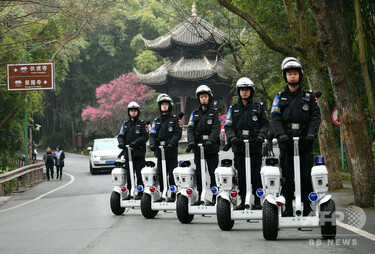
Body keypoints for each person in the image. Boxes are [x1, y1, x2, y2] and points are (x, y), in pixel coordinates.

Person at [271, 57, 321, 217]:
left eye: (295, 73)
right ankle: (286, 207)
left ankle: (307, 206)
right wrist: (280, 135)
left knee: (306, 176)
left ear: (300, 75)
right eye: (289, 73)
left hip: (305, 142)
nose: (292, 76)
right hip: (286, 143)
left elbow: (316, 116)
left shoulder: (309, 96)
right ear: (285, 76)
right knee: (287, 177)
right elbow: (275, 118)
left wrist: (312, 133)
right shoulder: (279, 97)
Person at [224, 77, 270, 210]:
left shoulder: (259, 108)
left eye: (247, 90)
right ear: (239, 92)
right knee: (242, 176)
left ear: (251, 91)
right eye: (242, 90)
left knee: (255, 175)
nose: (244, 92)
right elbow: (228, 126)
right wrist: (232, 137)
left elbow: (265, 124)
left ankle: (257, 201)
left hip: (254, 145)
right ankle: (243, 200)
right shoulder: (233, 109)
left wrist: (261, 136)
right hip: (238, 146)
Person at [187, 85, 221, 205]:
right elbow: (190, 129)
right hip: (198, 148)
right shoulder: (194, 114)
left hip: (211, 148)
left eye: (205, 97)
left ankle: (215, 196)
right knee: (200, 174)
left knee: (213, 173)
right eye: (201, 97)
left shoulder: (215, 113)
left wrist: (211, 140)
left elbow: (216, 128)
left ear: (209, 98)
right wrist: (191, 141)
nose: (203, 99)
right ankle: (201, 196)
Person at [149, 94, 182, 202]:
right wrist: (152, 144)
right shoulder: (157, 120)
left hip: (171, 151)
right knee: (162, 175)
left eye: (166, 104)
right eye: (162, 104)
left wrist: (172, 143)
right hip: (160, 151)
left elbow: (177, 133)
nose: (164, 106)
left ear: (170, 106)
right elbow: (152, 134)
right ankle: (163, 193)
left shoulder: (175, 119)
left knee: (172, 175)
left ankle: (173, 193)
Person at [117, 101, 149, 200]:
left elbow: (145, 136)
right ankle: (130, 192)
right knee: (130, 175)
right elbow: (121, 135)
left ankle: (140, 193)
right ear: (128, 112)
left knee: (139, 175)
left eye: (135, 111)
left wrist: (137, 142)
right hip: (128, 154)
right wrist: (121, 143)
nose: (133, 113)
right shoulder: (125, 124)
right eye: (131, 111)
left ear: (138, 112)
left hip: (138, 154)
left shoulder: (142, 124)